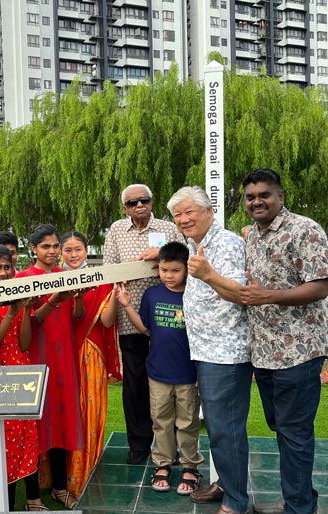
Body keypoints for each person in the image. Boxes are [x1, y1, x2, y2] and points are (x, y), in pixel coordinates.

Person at [192, 169, 328, 514]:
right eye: (250, 197)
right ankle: (297, 499)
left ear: (280, 196)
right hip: (267, 353)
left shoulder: (305, 229)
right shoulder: (253, 237)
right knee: (282, 428)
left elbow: (320, 287)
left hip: (298, 351)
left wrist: (267, 295)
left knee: (294, 431)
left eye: (264, 195)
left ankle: (300, 507)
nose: (257, 201)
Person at [166, 186, 252, 514]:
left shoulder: (226, 242)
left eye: (190, 212)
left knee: (226, 429)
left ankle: (235, 502)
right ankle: (226, 484)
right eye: (178, 214)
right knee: (217, 426)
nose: (184, 219)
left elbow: (241, 293)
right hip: (205, 350)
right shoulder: (194, 243)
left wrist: (208, 274)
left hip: (225, 353)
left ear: (209, 212)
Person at [103, 184, 182, 465]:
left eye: (144, 200)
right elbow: (110, 270)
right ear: (124, 208)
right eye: (133, 202)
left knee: (169, 383)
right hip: (129, 317)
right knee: (135, 384)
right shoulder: (115, 231)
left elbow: (181, 261)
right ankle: (138, 443)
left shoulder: (168, 228)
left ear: (152, 202)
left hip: (167, 317)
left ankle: (170, 443)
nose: (139, 206)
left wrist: (157, 254)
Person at [116, 242, 204, 495]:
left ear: (186, 269)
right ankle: (163, 463)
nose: (169, 276)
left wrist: (200, 372)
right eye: (164, 270)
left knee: (187, 422)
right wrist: (126, 305)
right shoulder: (152, 295)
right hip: (157, 373)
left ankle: (190, 465)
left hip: (188, 374)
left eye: (175, 270)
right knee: (161, 421)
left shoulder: (195, 295)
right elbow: (145, 329)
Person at [17, 224, 85, 509]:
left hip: (63, 361)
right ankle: (33, 496)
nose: (53, 251)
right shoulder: (22, 279)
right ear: (33, 248)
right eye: (46, 246)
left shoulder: (65, 276)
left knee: (60, 422)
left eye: (56, 246)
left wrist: (78, 297)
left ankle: (59, 487)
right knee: (33, 427)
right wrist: (53, 301)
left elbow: (78, 318)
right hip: (34, 360)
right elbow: (27, 325)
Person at [0, 244, 42, 511]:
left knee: (23, 434)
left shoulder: (18, 294)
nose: (3, 273)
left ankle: (23, 497)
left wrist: (24, 311)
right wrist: (10, 314)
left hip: (19, 367)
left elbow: (25, 343)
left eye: (7, 267)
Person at [60, 231, 122, 498]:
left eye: (78, 250)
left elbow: (107, 323)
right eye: (68, 250)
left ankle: (85, 471)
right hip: (61, 354)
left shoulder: (102, 281)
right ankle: (58, 479)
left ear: (87, 251)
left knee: (90, 410)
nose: (74, 255)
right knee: (64, 412)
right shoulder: (52, 281)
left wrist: (115, 294)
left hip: (90, 353)